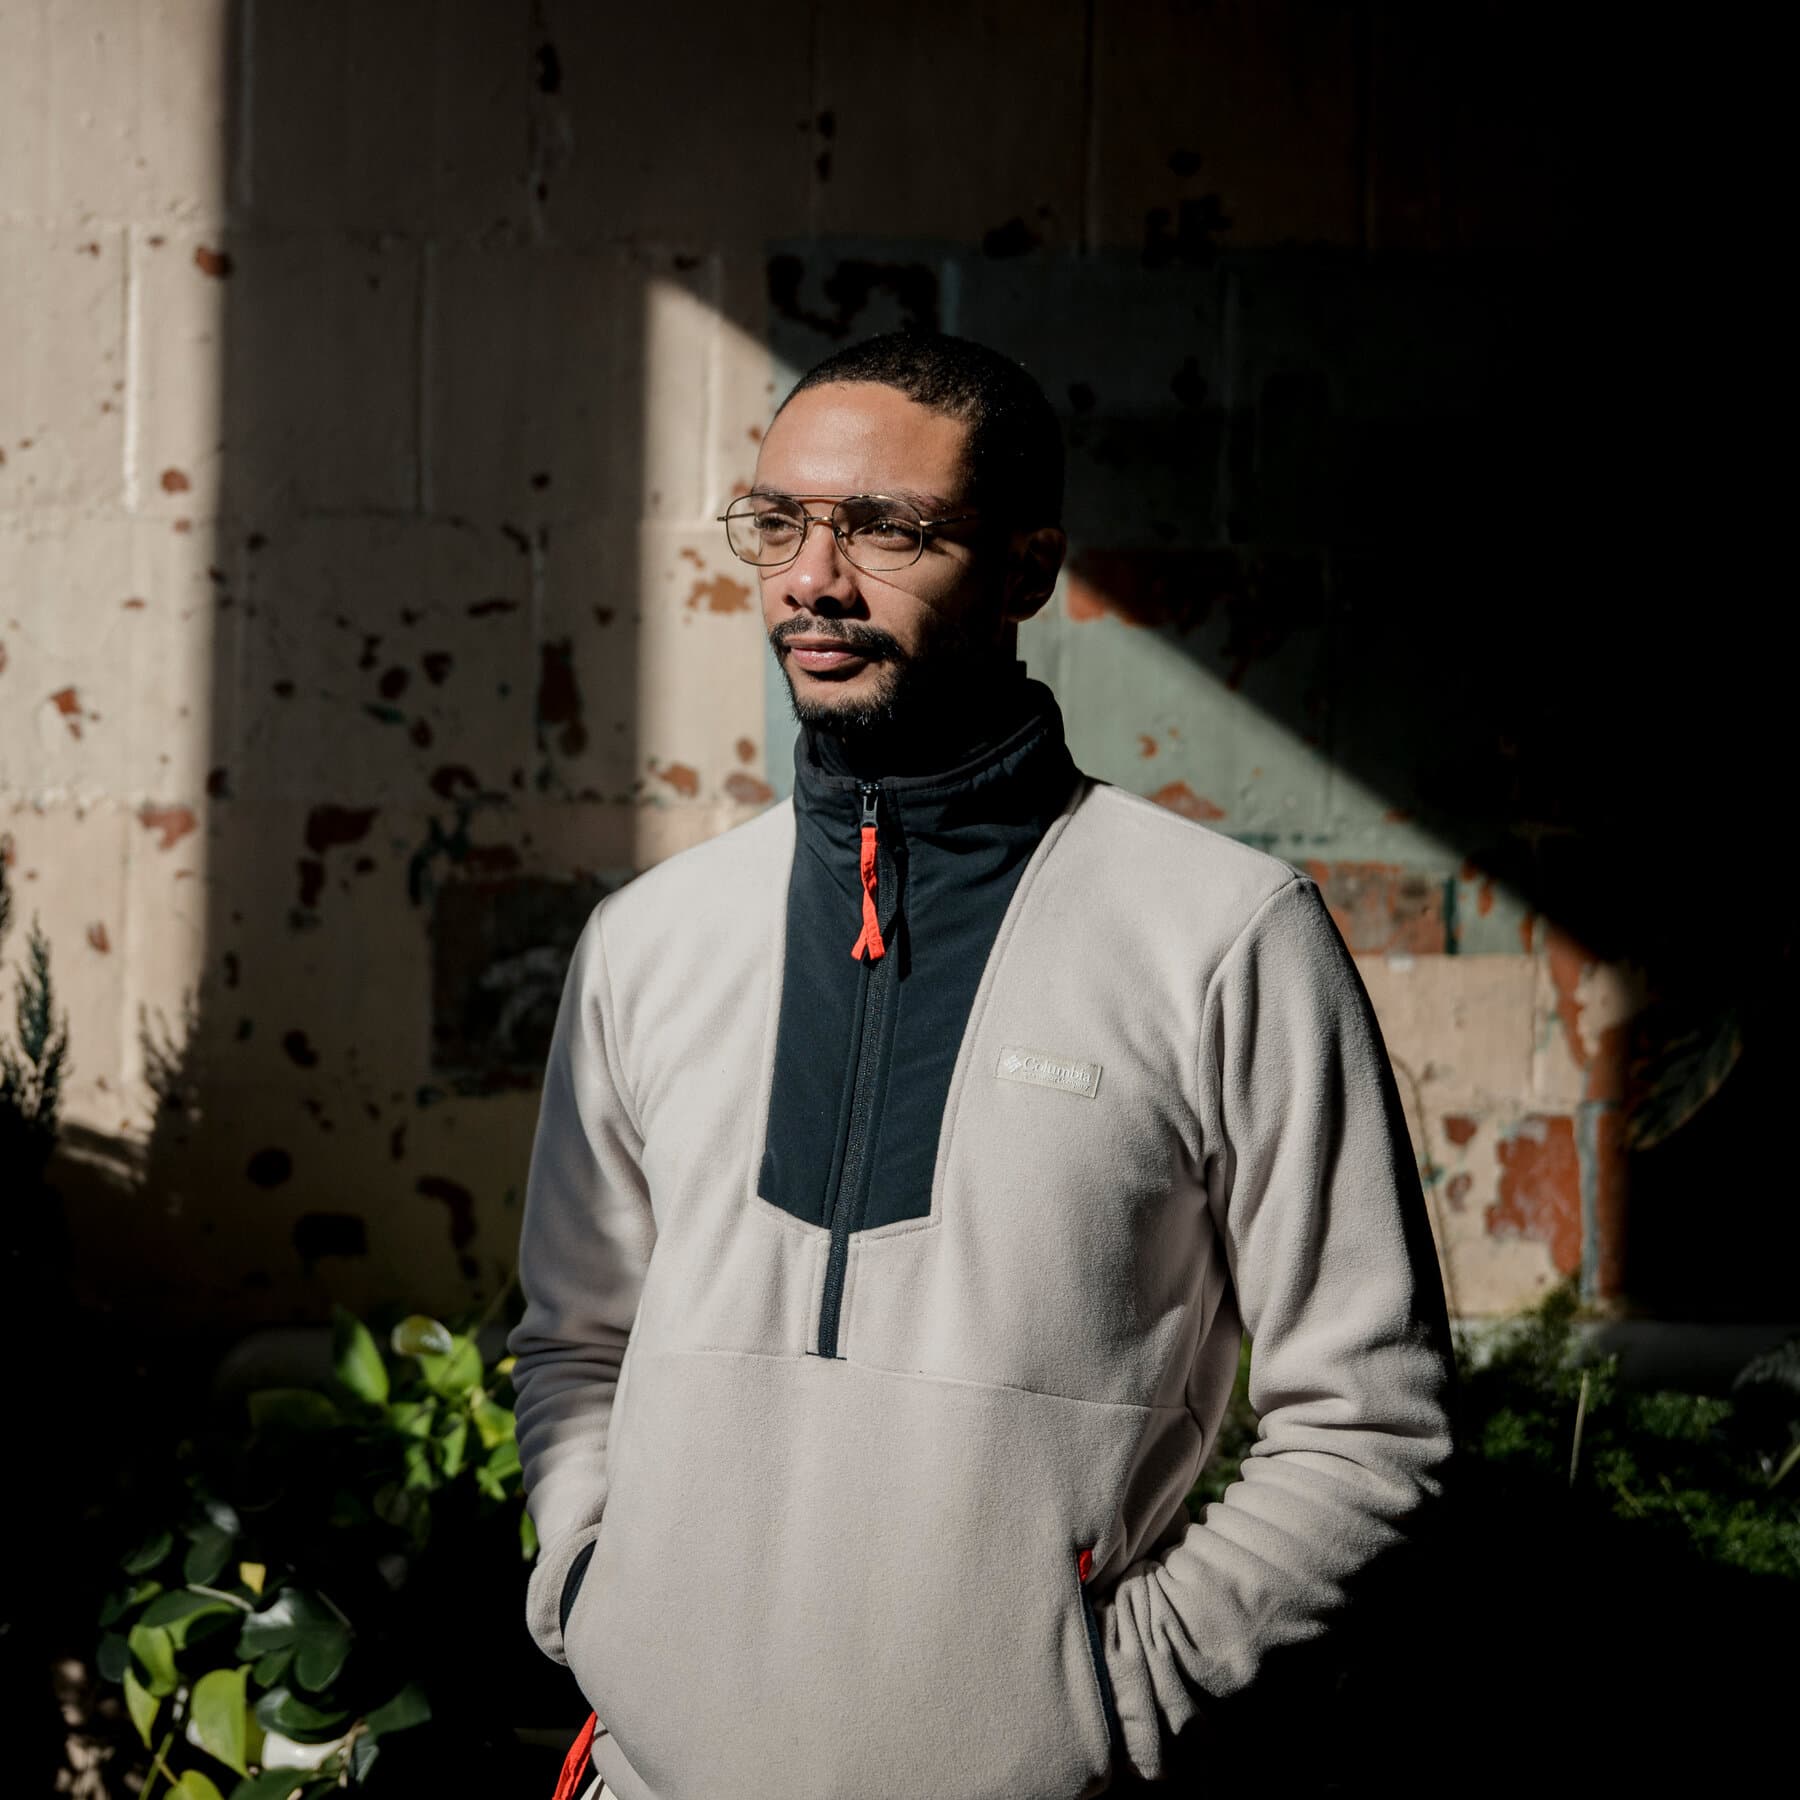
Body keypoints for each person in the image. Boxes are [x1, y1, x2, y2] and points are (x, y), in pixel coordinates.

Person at [507, 331, 1454, 1800]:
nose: (815, 579)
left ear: (1026, 569)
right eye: (780, 522)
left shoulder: (1222, 937)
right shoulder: (650, 940)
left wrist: (1107, 1696)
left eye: (887, 528)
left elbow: (1370, 1420)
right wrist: (591, 1587)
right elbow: (574, 1337)